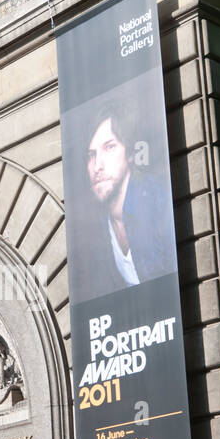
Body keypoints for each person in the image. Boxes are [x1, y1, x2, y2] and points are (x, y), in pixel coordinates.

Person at [73, 101, 176, 302]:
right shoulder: (95, 228)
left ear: (130, 153)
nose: (97, 166)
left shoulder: (159, 202)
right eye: (91, 155)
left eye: (109, 147)